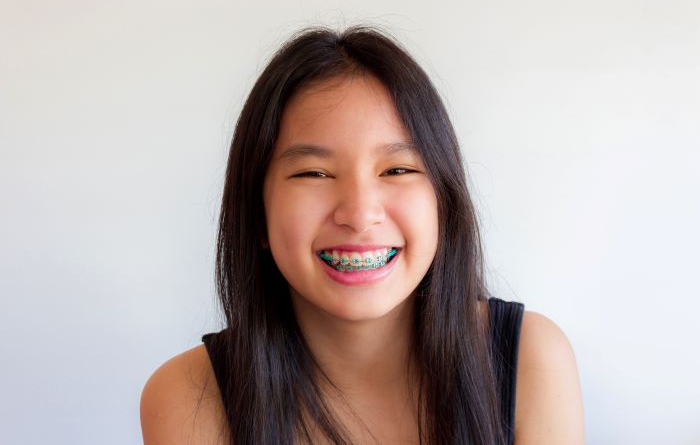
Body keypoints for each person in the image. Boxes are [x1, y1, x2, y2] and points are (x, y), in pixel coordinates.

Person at [139, 25, 585, 445]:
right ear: (257, 215)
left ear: (443, 204)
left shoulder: (529, 358)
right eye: (313, 172)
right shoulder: (189, 395)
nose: (359, 214)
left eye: (398, 169)